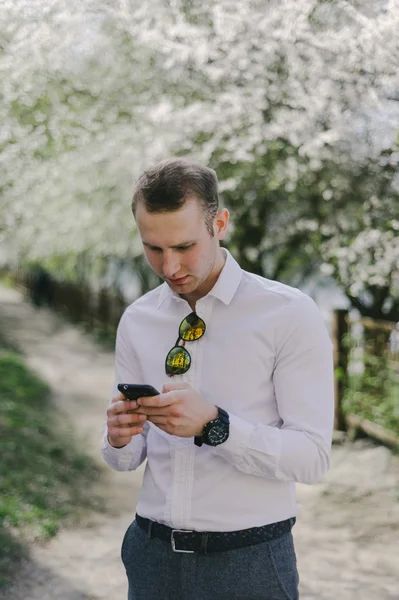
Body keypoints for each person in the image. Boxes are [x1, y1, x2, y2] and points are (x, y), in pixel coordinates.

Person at [102, 158, 334, 600]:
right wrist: (118, 437)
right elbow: (127, 459)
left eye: (184, 246)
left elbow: (313, 457)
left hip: (249, 564)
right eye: (153, 248)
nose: (169, 267)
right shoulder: (137, 320)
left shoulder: (288, 314)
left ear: (220, 223)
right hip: (150, 557)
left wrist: (215, 424)